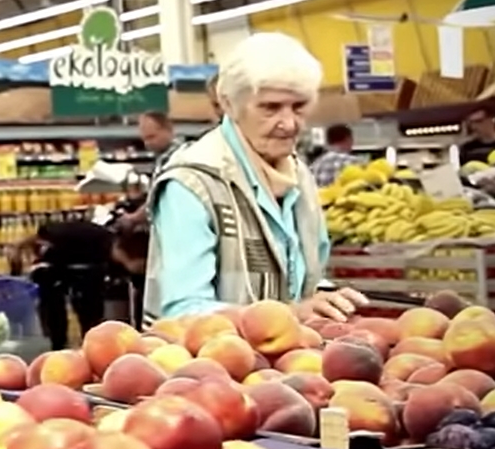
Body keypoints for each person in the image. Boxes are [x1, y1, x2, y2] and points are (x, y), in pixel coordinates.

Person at [143, 32, 369, 324]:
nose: (288, 124)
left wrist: (324, 299)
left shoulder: (300, 178)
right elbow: (182, 310)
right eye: (270, 107)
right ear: (229, 103)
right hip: (210, 365)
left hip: (290, 361)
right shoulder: (193, 184)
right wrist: (291, 314)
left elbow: (303, 279)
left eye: (299, 107)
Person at [15, 220, 149, 349]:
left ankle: (90, 344)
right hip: (54, 268)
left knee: (91, 310)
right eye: (143, 266)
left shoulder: (115, 264)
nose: (144, 270)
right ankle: (58, 344)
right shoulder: (90, 235)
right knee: (53, 307)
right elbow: (42, 235)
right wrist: (19, 249)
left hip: (85, 274)